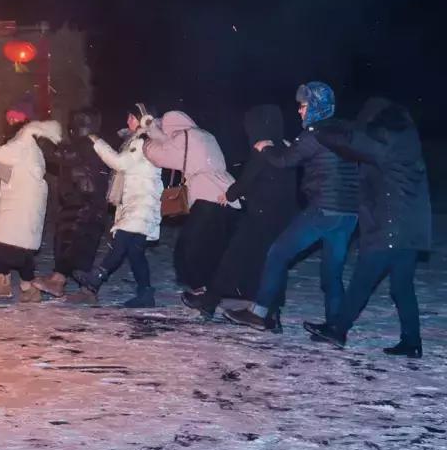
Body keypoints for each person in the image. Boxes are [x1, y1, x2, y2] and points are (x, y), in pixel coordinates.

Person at [224, 82, 359, 331]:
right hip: (348, 214)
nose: (299, 111)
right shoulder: (346, 132)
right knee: (332, 273)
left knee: (277, 253)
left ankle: (260, 313)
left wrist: (267, 148)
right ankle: (336, 328)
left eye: (303, 106)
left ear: (316, 107)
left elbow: (283, 161)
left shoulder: (314, 133)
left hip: (322, 210)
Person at [304, 99, 430, 358]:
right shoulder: (404, 139)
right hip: (409, 229)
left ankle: (338, 330)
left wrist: (316, 129)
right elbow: (356, 136)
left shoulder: (386, 141)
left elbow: (351, 141)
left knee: (362, 281)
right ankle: (412, 342)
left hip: (391, 227)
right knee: (402, 287)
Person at [181, 105, 298, 319]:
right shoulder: (287, 148)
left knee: (232, 258)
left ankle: (209, 302)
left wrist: (230, 195)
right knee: (270, 263)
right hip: (281, 218)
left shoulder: (263, 149)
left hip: (259, 216)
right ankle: (270, 312)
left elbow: (247, 178)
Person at [142, 110, 240, 296]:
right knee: (215, 245)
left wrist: (146, 143)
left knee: (190, 247)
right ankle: (218, 287)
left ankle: (200, 289)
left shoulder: (183, 137)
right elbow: (175, 147)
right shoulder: (205, 135)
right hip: (227, 194)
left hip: (207, 195)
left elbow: (161, 156)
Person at [80, 103, 163, 307]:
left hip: (141, 203)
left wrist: (97, 141)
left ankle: (95, 279)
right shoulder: (140, 140)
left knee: (121, 243)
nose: (128, 121)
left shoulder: (142, 140)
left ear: (143, 119)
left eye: (132, 118)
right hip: (140, 201)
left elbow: (120, 163)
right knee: (135, 252)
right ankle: (146, 294)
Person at [0, 118, 63, 302]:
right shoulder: (33, 150)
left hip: (18, 206)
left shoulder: (22, 144)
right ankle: (20, 287)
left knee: (10, 248)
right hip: (24, 206)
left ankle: (20, 286)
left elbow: (1, 154)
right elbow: (7, 163)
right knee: (16, 248)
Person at [33, 108, 110, 301]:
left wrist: (42, 138)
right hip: (85, 203)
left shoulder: (85, 145)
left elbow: (58, 155)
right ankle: (70, 285)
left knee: (71, 244)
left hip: (83, 204)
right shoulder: (91, 144)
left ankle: (62, 282)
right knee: (77, 246)